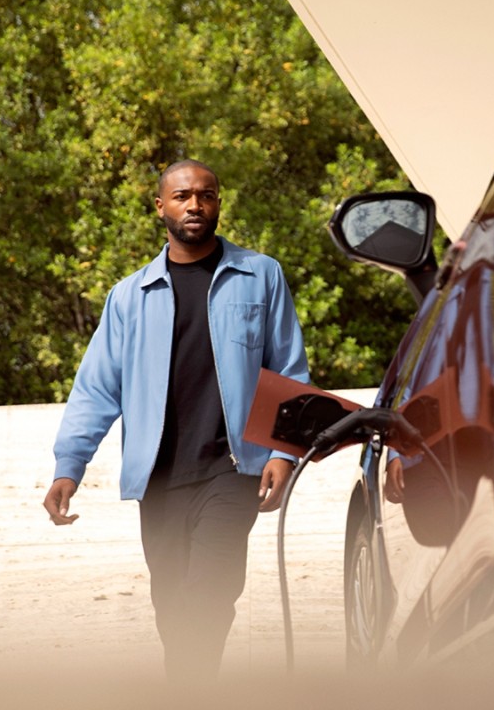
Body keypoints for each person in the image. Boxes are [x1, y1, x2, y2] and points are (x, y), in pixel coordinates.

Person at [43, 159, 309, 680]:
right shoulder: (129, 296)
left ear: (218, 203)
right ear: (160, 206)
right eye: (183, 196)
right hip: (159, 478)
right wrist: (67, 465)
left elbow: (289, 369)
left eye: (206, 195)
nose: (195, 205)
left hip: (234, 470)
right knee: (172, 606)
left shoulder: (261, 275)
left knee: (209, 591)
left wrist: (283, 451)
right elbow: (97, 387)